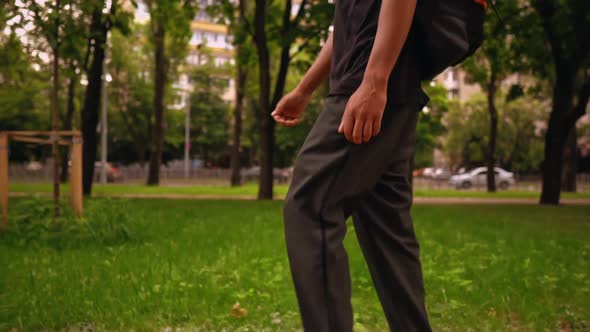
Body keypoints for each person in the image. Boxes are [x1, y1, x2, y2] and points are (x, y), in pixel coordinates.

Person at [272, 0, 433, 331]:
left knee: (309, 206)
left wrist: (375, 81)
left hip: (370, 84)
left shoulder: (373, 81)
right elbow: (347, 22)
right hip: (388, 86)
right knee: (387, 230)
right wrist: (304, 90)